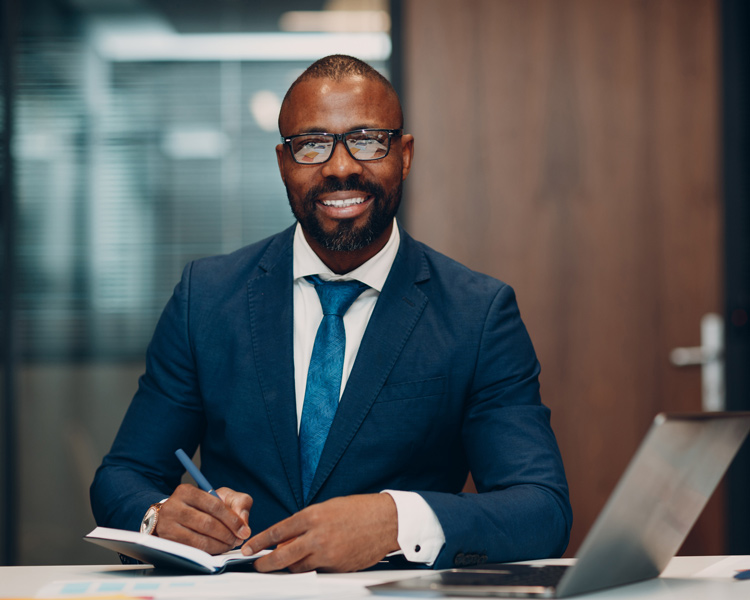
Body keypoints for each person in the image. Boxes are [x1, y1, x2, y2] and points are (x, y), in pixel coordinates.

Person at [90, 54, 572, 573]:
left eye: (367, 140)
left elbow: (541, 508)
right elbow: (124, 475)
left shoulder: (477, 313)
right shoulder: (205, 298)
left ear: (404, 155)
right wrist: (158, 516)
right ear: (282, 163)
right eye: (312, 145)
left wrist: (394, 520)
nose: (341, 167)